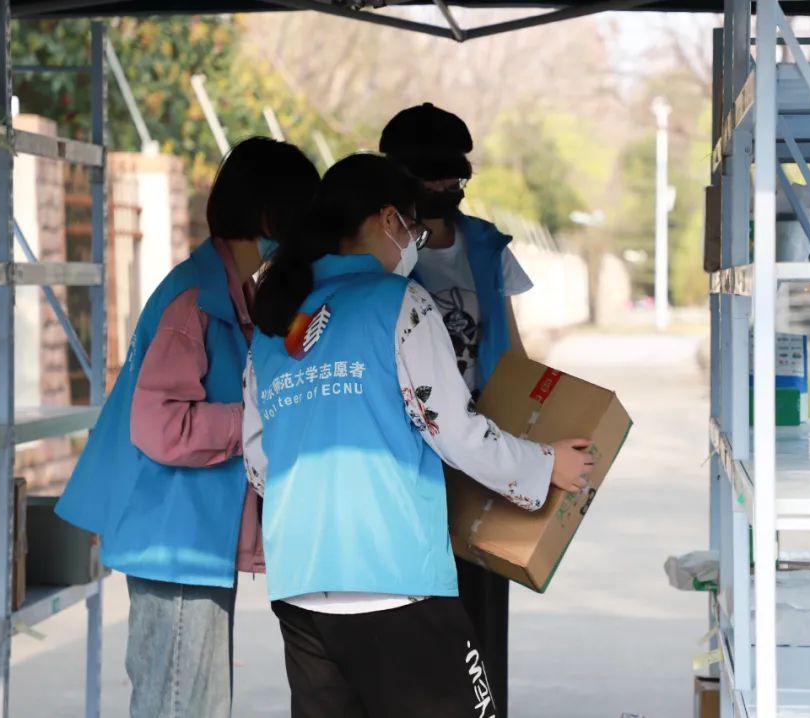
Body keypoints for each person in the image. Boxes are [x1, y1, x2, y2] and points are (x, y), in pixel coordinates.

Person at [242, 152, 594, 718]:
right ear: (388, 219)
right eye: (414, 229)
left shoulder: (278, 324)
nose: (415, 244)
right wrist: (546, 465)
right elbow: (453, 430)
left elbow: (259, 462)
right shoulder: (397, 302)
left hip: (300, 583)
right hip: (393, 578)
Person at [56, 137, 320, 718]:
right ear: (272, 217)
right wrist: (258, 419)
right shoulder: (197, 299)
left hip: (193, 535)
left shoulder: (231, 292)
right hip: (174, 539)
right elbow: (161, 425)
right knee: (183, 706)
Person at [379, 102, 531, 714]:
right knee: (414, 622)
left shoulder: (488, 247)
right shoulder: (383, 252)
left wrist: (531, 443)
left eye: (455, 175)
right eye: (432, 175)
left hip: (479, 457)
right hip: (405, 461)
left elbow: (513, 351)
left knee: (481, 620)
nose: (446, 186)